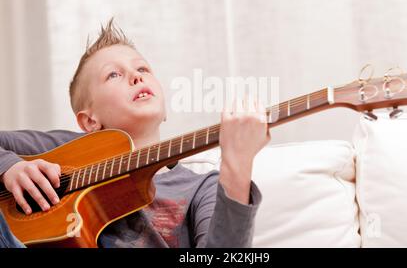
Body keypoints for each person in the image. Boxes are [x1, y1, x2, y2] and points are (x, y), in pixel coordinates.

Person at [0, 18, 270, 248]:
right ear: (90, 121)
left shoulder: (201, 187)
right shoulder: (69, 149)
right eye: (114, 75)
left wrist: (237, 170)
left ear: (164, 110)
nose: (136, 76)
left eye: (142, 69)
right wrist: (9, 166)